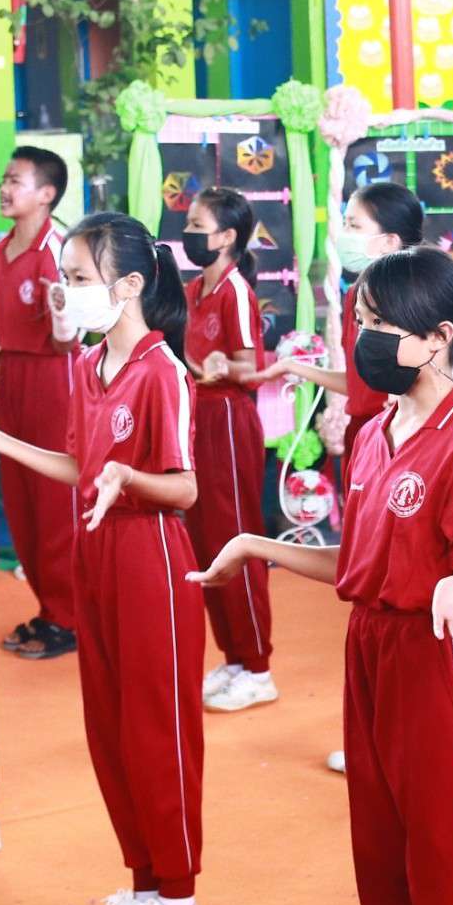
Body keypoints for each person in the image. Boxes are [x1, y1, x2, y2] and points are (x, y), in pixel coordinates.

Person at [189, 247, 453, 905]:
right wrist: (256, 546)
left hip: (443, 657)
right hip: (372, 645)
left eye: (378, 324)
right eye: (360, 320)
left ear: (437, 337)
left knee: (448, 863)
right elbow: (358, 561)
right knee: (385, 861)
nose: (362, 339)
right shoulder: (374, 433)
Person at [0, 213, 207, 905]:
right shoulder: (87, 365)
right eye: (64, 276)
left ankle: (179, 899)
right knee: (109, 729)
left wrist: (128, 477)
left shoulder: (162, 370)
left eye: (79, 278)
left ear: (129, 285)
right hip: (96, 549)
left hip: (149, 555)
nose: (64, 290)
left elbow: (183, 488)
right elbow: (81, 468)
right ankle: (144, 885)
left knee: (156, 728)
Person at [245, 181, 425, 493]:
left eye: (354, 225)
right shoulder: (355, 295)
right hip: (361, 433)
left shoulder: (414, 298)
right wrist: (294, 368)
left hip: (397, 436)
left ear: (389, 241)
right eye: (344, 223)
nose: (343, 234)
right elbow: (359, 385)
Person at [181, 187, 276, 713]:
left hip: (228, 422)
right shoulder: (194, 288)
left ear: (227, 237)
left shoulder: (236, 291)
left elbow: (250, 367)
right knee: (207, 541)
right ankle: (235, 657)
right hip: (198, 417)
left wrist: (223, 367)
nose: (189, 233)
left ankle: (259, 668)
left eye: (198, 225)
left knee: (236, 537)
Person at [0, 146, 81, 660]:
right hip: (14, 376)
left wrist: (63, 313)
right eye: (4, 178)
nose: (4, 188)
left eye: (15, 180)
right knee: (20, 502)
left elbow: (69, 341)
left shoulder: (58, 252)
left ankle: (70, 617)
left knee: (54, 504)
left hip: (53, 380)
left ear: (46, 194)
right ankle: (49, 609)